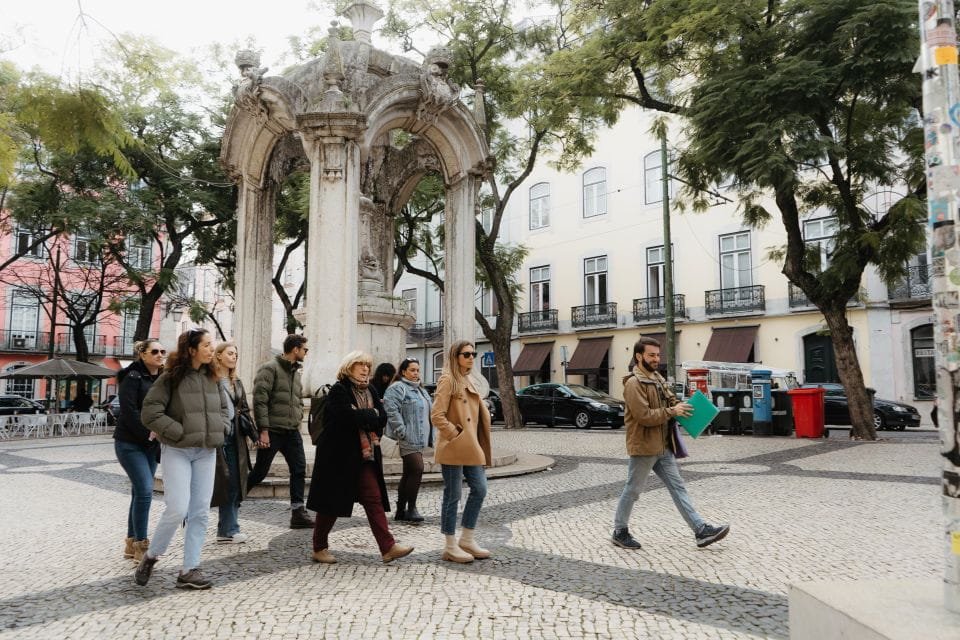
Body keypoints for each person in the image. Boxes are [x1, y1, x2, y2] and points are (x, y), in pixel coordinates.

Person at [612, 337, 730, 550]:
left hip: (663, 445)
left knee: (678, 487)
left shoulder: (658, 378)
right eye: (651, 355)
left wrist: (684, 406)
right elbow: (643, 416)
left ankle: (700, 530)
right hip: (645, 446)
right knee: (633, 489)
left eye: (658, 355)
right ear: (639, 357)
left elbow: (671, 401)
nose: (656, 359)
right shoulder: (633, 383)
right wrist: (672, 411)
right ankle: (620, 531)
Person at [134, 328, 229, 590]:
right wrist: (179, 432)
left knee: (199, 511)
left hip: (206, 451)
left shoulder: (214, 377)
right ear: (192, 349)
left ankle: (189, 569)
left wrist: (222, 428)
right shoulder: (170, 377)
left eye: (213, 345)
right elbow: (150, 413)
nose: (212, 349)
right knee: (177, 508)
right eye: (207, 345)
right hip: (177, 450)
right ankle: (151, 556)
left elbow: (224, 409)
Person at [307, 351, 414, 564]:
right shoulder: (340, 390)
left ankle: (388, 547)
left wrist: (369, 415)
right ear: (349, 367)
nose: (365, 369)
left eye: (367, 365)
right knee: (331, 504)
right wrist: (370, 415)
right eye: (360, 364)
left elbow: (381, 418)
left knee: (373, 498)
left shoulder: (371, 389)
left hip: (364, 455)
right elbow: (347, 417)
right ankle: (319, 547)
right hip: (338, 457)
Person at [431, 340, 492, 564]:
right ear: (455, 356)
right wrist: (454, 434)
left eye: (473, 354)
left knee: (480, 488)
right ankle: (450, 545)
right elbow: (437, 415)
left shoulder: (469, 380)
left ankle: (467, 538)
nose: (471, 357)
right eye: (466, 354)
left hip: (471, 445)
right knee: (453, 494)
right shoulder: (448, 379)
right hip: (455, 445)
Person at [246, 334, 313, 529]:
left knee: (299, 469)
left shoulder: (296, 373)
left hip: (291, 431)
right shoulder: (269, 369)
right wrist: (263, 430)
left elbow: (298, 399)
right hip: (273, 431)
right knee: (259, 472)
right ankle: (231, 504)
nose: (305, 353)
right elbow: (260, 400)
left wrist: (299, 414)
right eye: (305, 350)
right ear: (295, 349)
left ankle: (298, 513)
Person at [113, 339, 166, 562]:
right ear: (142, 354)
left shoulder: (162, 378)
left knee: (139, 491)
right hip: (129, 442)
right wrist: (148, 431)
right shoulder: (132, 377)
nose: (160, 355)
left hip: (150, 444)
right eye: (154, 351)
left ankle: (130, 540)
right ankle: (141, 544)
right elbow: (128, 409)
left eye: (162, 351)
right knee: (145, 489)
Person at [382, 358, 434, 523]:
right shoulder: (397, 388)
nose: (416, 373)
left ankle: (400, 510)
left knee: (409, 473)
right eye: (412, 370)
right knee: (418, 468)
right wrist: (401, 431)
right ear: (403, 372)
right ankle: (411, 508)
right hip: (407, 438)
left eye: (417, 370)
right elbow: (391, 410)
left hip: (420, 438)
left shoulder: (422, 391)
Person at [213, 341, 255, 544]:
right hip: (218, 437)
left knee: (235, 483)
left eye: (236, 354)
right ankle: (226, 529)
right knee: (223, 483)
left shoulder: (236, 381)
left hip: (236, 437)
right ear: (218, 355)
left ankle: (228, 528)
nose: (234, 357)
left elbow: (245, 409)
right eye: (230, 353)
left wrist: (253, 435)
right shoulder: (210, 379)